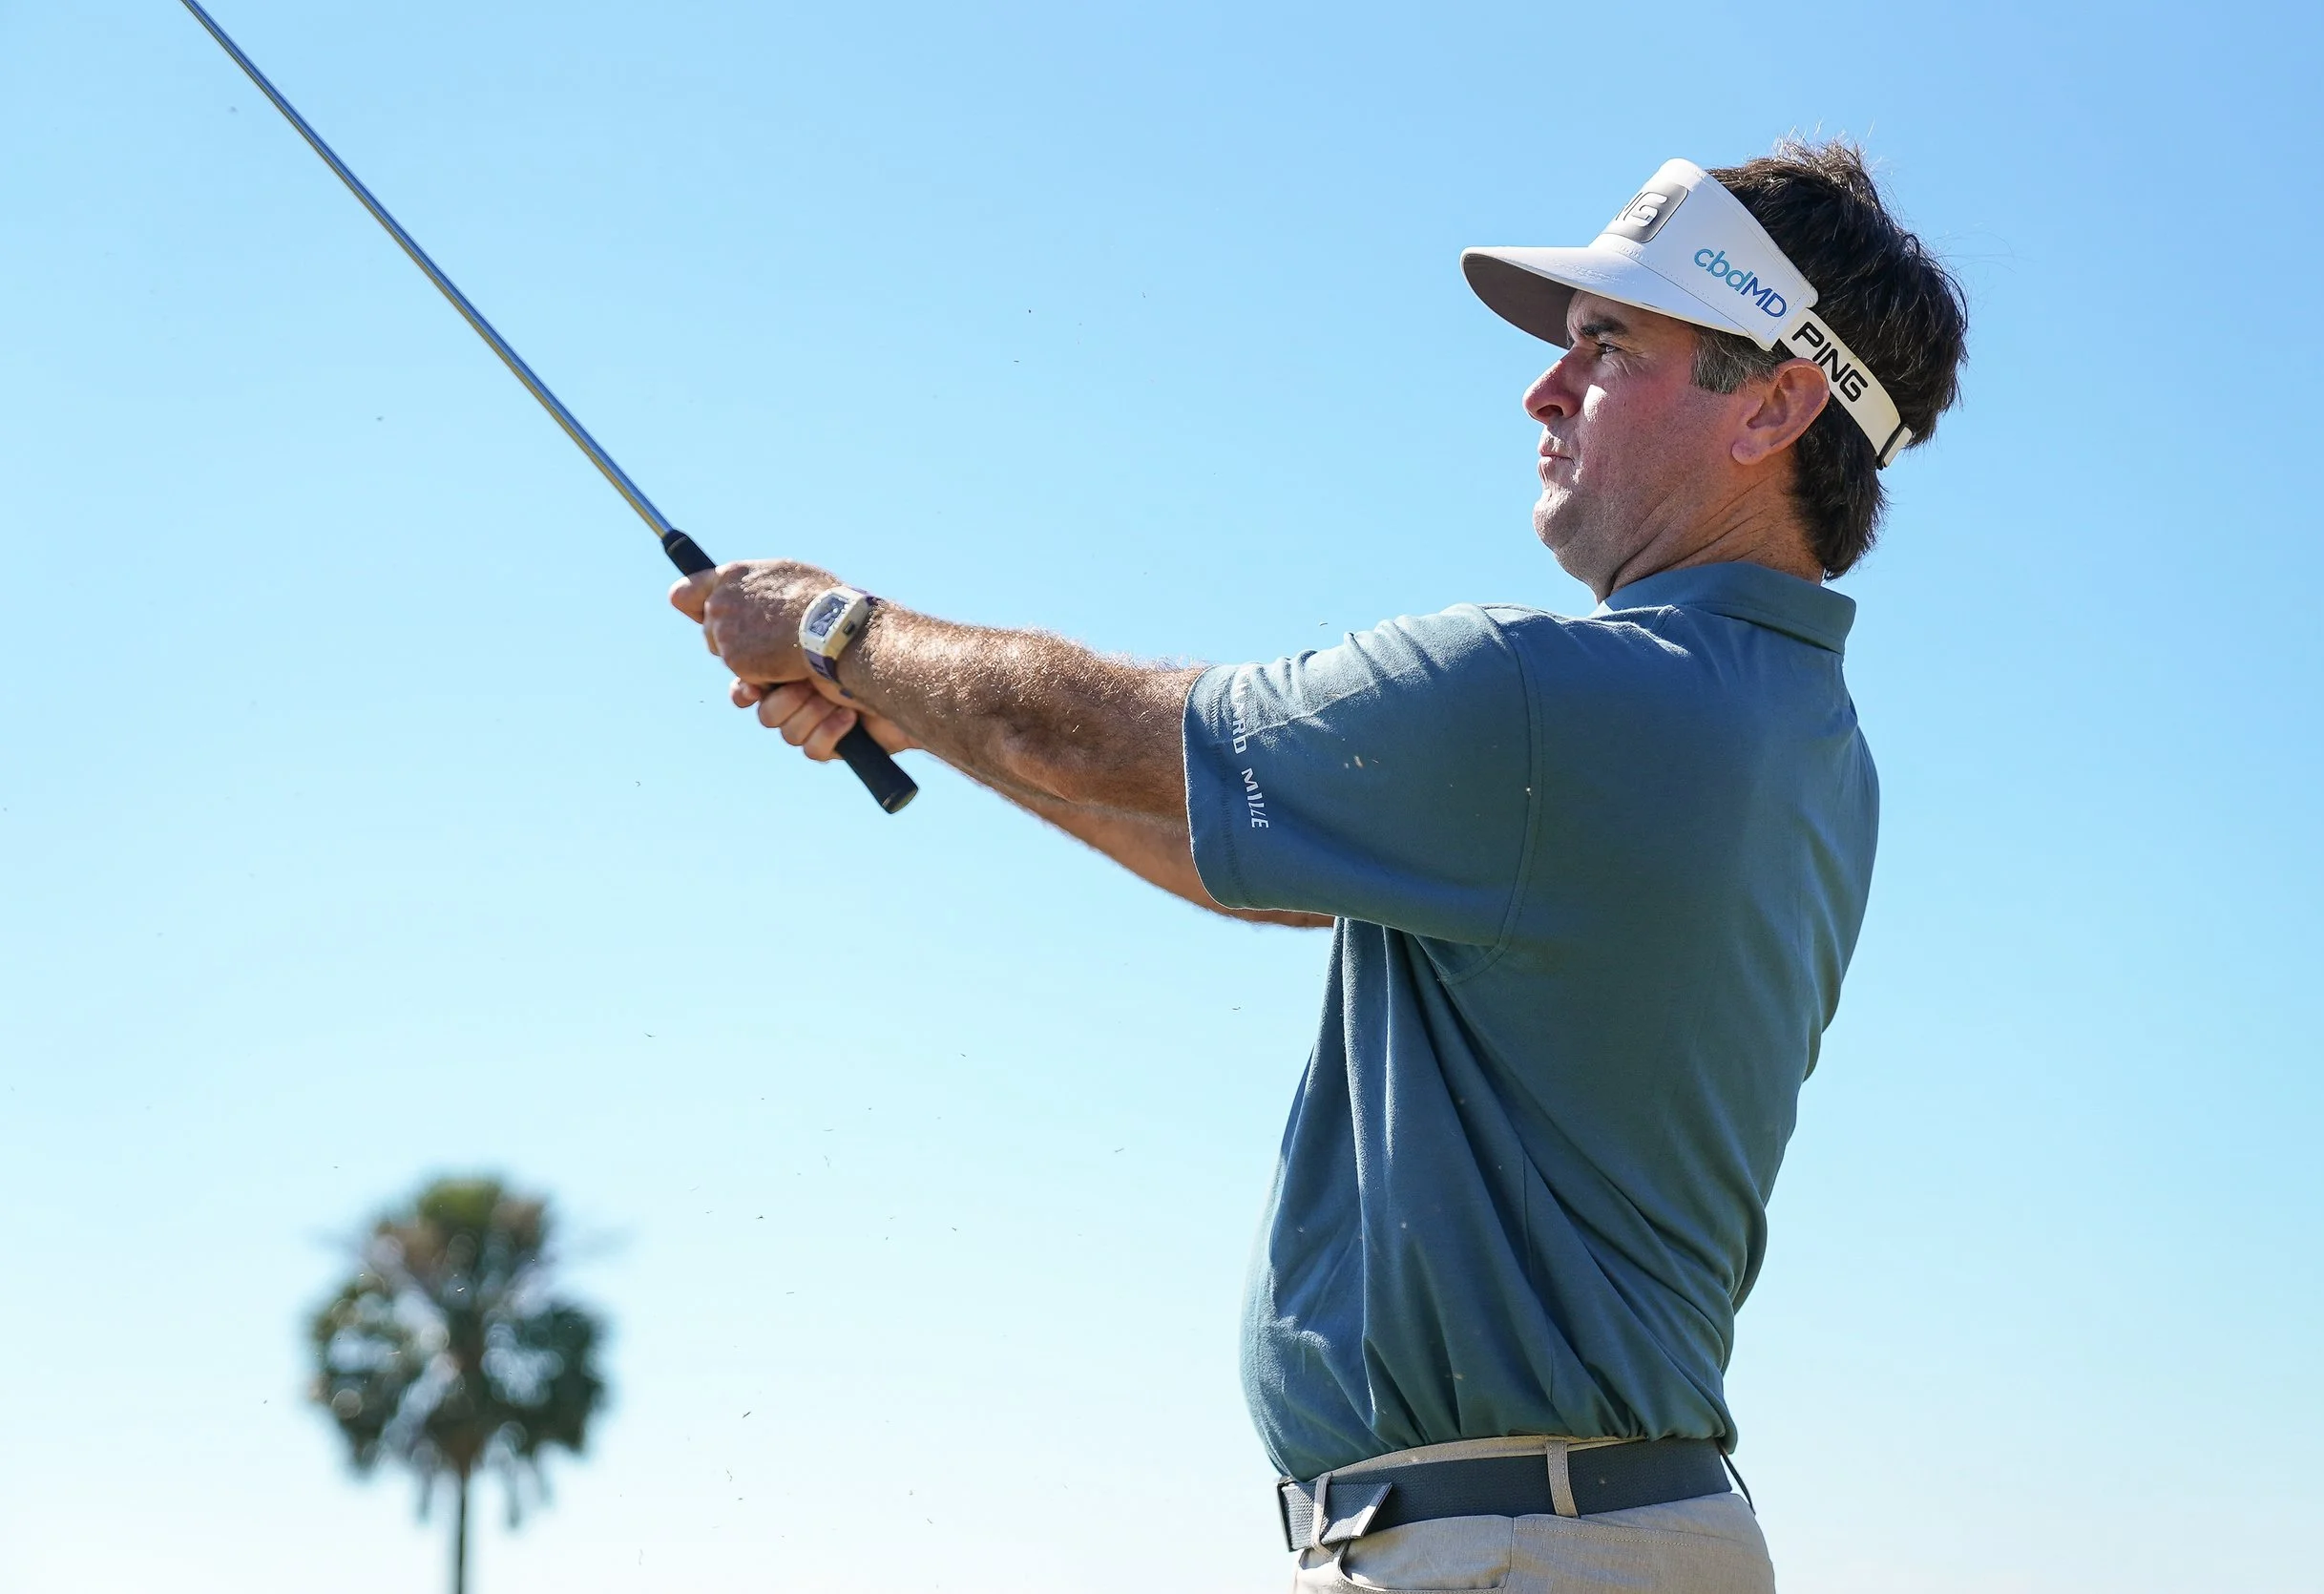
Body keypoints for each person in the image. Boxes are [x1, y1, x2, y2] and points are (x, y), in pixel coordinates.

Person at [671, 136, 1967, 1593]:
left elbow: (1103, 738)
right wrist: (917, 709)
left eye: (1610, 344)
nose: (1544, 386)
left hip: (1506, 1547)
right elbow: (1221, 842)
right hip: (1592, 1530)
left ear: (1778, 403)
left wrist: (839, 632)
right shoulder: (1804, 744)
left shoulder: (1560, 700)